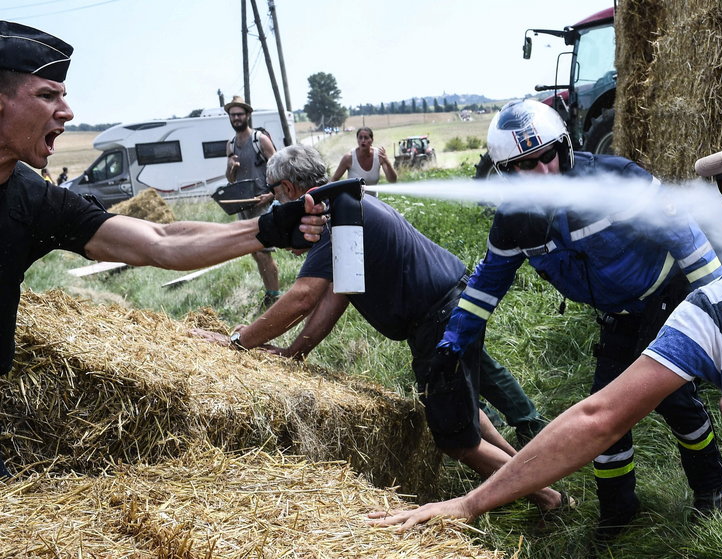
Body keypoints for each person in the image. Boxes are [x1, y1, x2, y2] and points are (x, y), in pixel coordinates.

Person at [370, 110, 722, 558]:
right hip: (617, 311)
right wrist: (454, 339)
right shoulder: (515, 221)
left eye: (546, 156)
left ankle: (709, 489)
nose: (540, 172)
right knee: (607, 405)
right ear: (504, 172)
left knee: (675, 400)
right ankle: (618, 511)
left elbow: (689, 243)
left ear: (565, 150)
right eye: (522, 165)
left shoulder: (617, 181)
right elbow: (487, 285)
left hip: (665, 295)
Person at [0, 20, 327, 477]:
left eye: (64, 95)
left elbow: (161, 242)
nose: (67, 111)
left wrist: (270, 229)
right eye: (47, 95)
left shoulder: (34, 200)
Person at [192, 144, 564, 508]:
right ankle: (531, 471)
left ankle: (547, 497)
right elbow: (339, 293)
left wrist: (238, 342)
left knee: (456, 440)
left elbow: (304, 296)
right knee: (461, 408)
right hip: (449, 307)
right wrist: (294, 352)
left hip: (439, 317)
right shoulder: (344, 203)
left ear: (287, 189)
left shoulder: (334, 214)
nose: (275, 202)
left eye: (274, 194)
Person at [225, 95, 282, 311]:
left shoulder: (260, 140)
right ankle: (270, 293)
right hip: (244, 205)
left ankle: (274, 297)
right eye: (233, 115)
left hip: (263, 203)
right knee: (255, 252)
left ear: (248, 115)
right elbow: (230, 179)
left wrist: (271, 195)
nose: (237, 118)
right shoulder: (230, 144)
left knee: (263, 251)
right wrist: (231, 167)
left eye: (240, 114)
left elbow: (279, 168)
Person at [331, 127, 397, 195]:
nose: (363, 140)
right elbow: (334, 179)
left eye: (366, 138)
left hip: (373, 200)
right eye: (360, 138)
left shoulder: (379, 156)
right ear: (357, 140)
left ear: (372, 140)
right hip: (353, 201)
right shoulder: (348, 158)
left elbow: (393, 180)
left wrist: (387, 162)